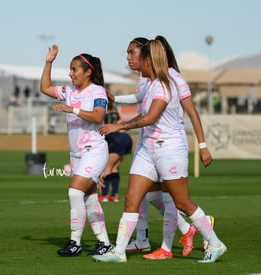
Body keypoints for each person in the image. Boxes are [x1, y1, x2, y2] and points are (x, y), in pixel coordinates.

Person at [93, 40, 226, 263]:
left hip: (170, 149)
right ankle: (119, 252)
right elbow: (143, 115)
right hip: (148, 150)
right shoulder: (151, 84)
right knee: (132, 199)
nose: (130, 59)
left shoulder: (165, 84)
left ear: (148, 60)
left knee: (182, 202)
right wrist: (124, 121)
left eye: (134, 55)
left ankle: (214, 243)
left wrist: (120, 126)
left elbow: (151, 117)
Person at [40, 45, 112, 257]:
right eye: (70, 70)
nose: (70, 74)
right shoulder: (69, 91)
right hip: (76, 154)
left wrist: (73, 109)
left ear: (88, 71)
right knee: (89, 198)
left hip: (95, 150)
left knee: (74, 192)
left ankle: (75, 242)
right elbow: (45, 88)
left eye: (74, 70)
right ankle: (104, 243)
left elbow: (98, 117)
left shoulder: (97, 91)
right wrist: (49, 62)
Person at [98, 101, 132, 202]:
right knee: (114, 168)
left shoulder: (101, 112)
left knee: (107, 168)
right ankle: (114, 195)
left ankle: (104, 195)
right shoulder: (115, 111)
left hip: (114, 139)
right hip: (125, 138)